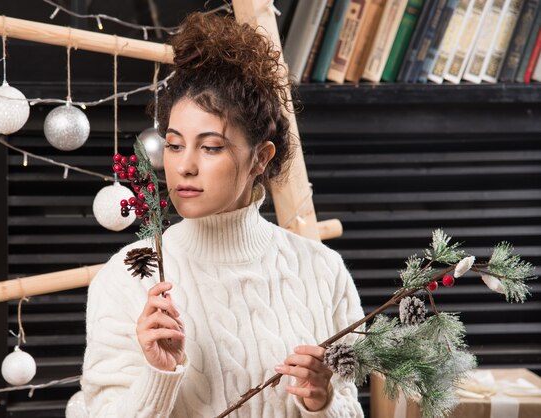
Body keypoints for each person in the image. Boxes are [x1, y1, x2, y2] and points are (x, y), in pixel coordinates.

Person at [81, 12, 364, 418]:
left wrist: (321, 401)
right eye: (175, 145)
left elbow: (351, 408)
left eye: (210, 147)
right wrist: (159, 375)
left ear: (260, 158)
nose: (185, 166)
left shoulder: (323, 271)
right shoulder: (126, 277)